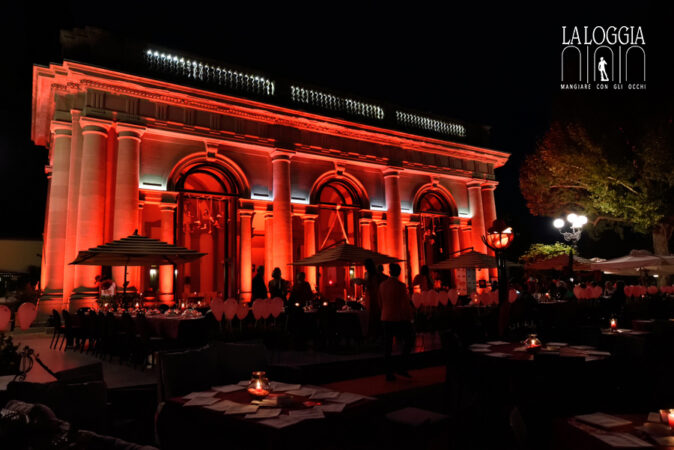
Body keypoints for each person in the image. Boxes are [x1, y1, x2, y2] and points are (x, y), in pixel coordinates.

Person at [378, 262, 414, 381]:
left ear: (390, 272)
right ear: (399, 272)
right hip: (398, 318)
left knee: (387, 347)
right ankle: (401, 366)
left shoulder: (382, 285)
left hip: (385, 317)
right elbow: (405, 304)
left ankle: (388, 373)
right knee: (409, 340)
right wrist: (409, 317)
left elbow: (380, 302)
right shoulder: (400, 286)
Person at [363, 258, 386, 338]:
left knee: (374, 318)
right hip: (372, 299)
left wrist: (364, 283)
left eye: (365, 266)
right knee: (373, 318)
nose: (365, 267)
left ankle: (375, 336)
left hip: (373, 299)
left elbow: (373, 287)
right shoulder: (371, 275)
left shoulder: (374, 276)